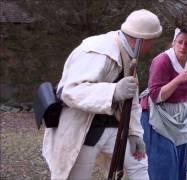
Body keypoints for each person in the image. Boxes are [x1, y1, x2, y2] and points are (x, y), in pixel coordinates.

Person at [42, 9, 162, 180]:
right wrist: (113, 91)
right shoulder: (98, 50)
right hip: (82, 130)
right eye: (152, 41)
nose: (152, 46)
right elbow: (70, 91)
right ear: (141, 40)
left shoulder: (129, 55)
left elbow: (132, 102)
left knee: (138, 165)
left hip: (114, 128)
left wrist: (135, 133)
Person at [140, 28, 187, 180]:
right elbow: (156, 96)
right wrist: (178, 80)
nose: (183, 47)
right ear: (173, 42)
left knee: (179, 164)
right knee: (163, 164)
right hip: (158, 116)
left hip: (180, 118)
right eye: (180, 42)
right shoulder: (162, 61)